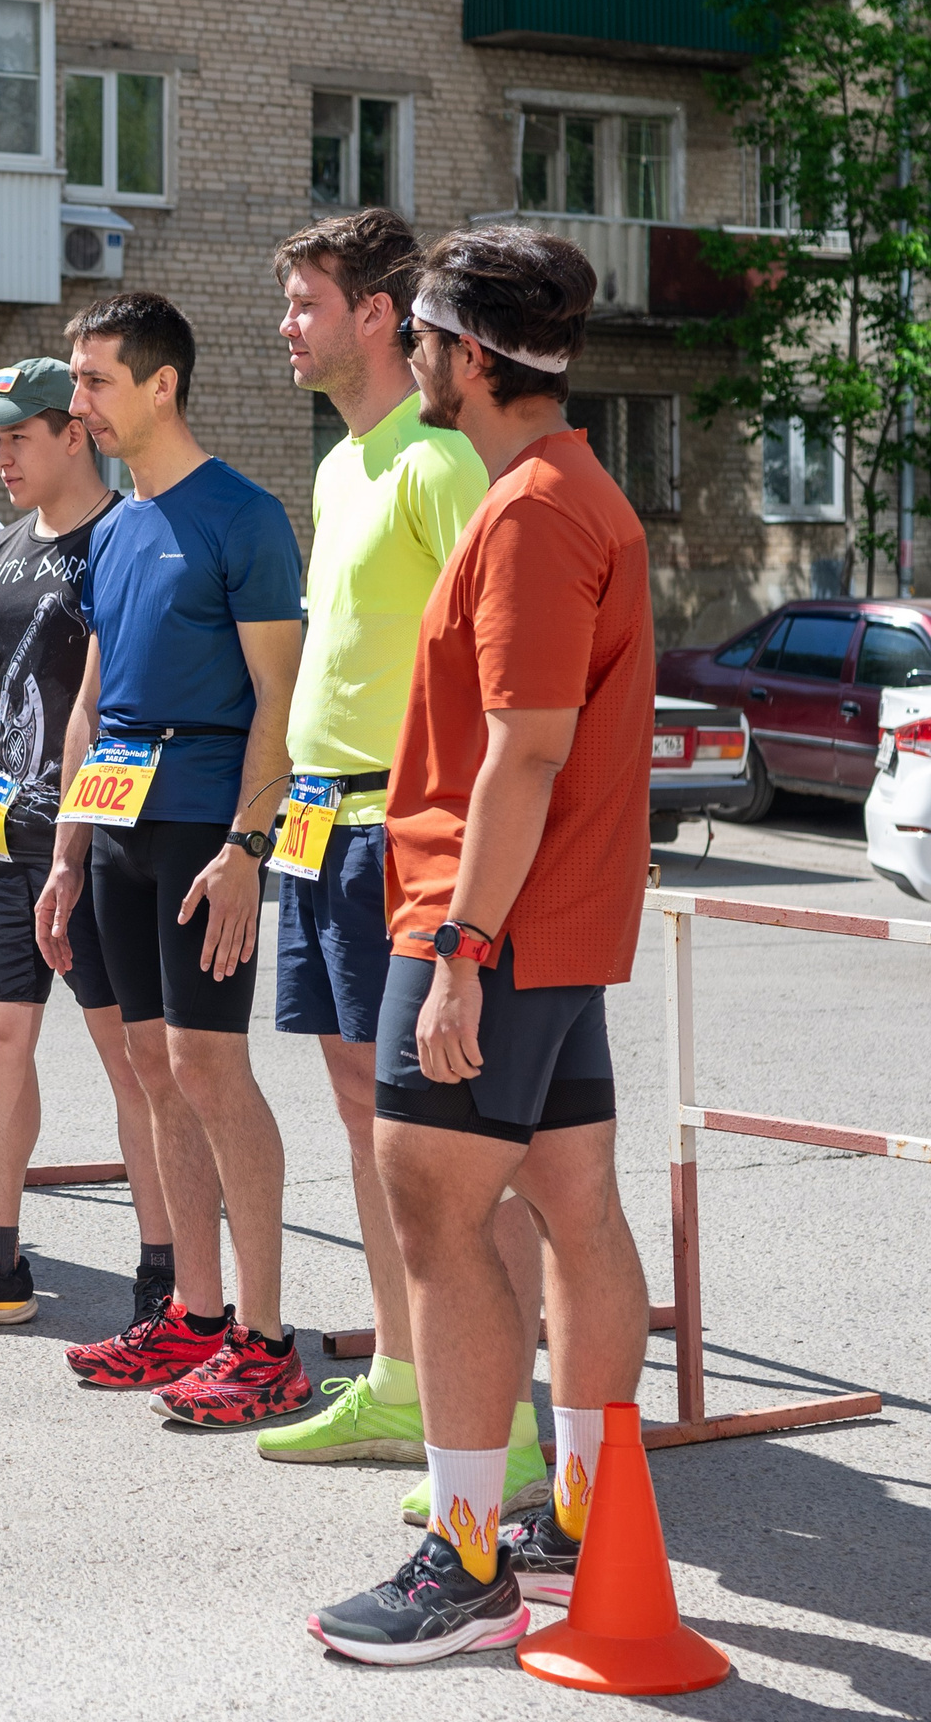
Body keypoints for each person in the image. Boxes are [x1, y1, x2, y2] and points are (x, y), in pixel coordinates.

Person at [310, 226, 652, 1665]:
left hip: (488, 918)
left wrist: (457, 944)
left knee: (440, 1226)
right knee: (574, 1207)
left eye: (430, 343)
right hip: (555, 926)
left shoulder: (523, 512)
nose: (422, 364)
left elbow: (521, 754)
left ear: (462, 354)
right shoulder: (584, 492)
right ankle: (576, 1520)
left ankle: (465, 1565)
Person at [252, 214, 552, 1510]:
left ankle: (511, 1425)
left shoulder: (439, 464)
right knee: (371, 1129)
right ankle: (400, 1381)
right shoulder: (339, 466)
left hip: (398, 836)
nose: (287, 325)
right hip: (321, 828)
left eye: (306, 301)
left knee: (457, 1145)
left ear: (381, 314)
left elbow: (505, 683)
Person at [41, 292, 312, 1426]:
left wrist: (250, 847)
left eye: (96, 380)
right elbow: (94, 700)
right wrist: (63, 852)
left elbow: (278, 700)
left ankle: (265, 1339)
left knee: (210, 1070)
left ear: (160, 385)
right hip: (115, 826)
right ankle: (194, 1316)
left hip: (209, 827)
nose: (79, 402)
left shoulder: (242, 517)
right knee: (150, 1069)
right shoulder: (110, 526)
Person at [0, 358, 171, 1328]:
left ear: (73, 432)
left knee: (134, 1062)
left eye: (18, 435)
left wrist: (85, 840)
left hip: (95, 838)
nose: (0, 454)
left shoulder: (123, 537)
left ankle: (165, 1272)